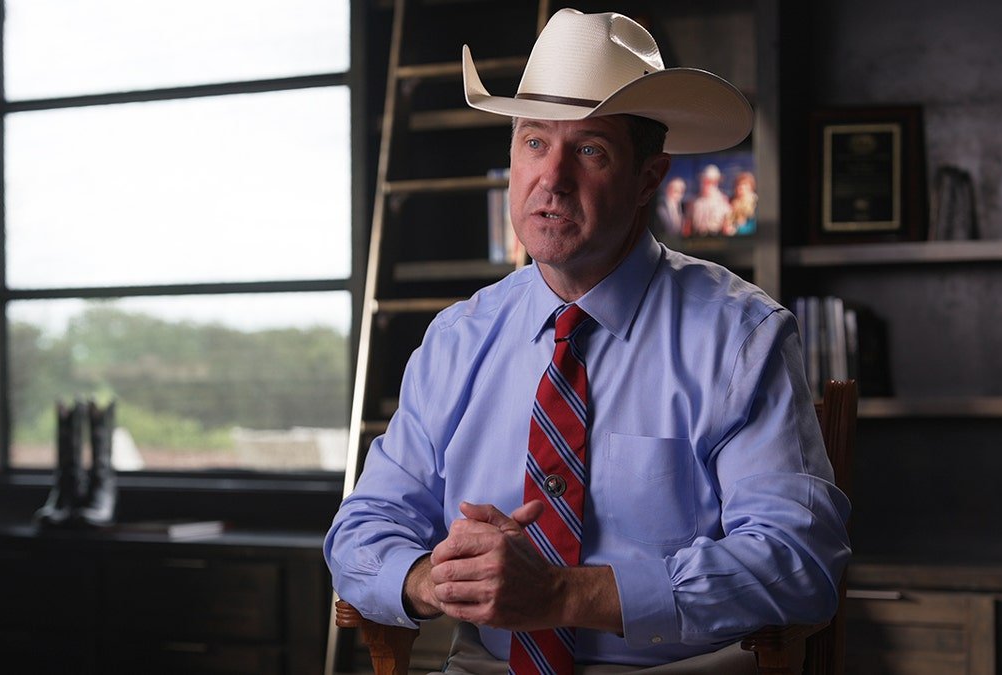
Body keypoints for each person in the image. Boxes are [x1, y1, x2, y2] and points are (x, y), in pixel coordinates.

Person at [325, 8, 850, 673]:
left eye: (591, 149)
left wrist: (563, 593)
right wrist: (432, 579)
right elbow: (361, 530)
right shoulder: (458, 340)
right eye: (534, 142)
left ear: (648, 180)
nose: (553, 177)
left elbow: (798, 559)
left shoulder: (740, 338)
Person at [686, 164, 732, 236]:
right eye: (705, 180)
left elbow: (727, 226)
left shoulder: (723, 200)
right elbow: (687, 225)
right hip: (697, 239)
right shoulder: (693, 201)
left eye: (712, 181)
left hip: (717, 238)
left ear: (717, 182)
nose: (708, 184)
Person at [729, 171, 758, 236]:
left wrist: (738, 229)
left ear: (751, 187)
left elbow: (755, 227)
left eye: (744, 184)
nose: (741, 187)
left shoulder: (755, 204)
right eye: (738, 184)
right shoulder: (731, 203)